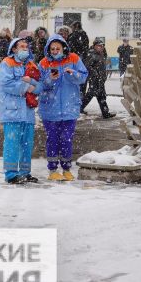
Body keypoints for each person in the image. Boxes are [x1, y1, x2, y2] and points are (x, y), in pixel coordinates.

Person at [38, 34, 89, 180]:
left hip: (69, 109)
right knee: (52, 139)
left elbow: (83, 76)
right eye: (52, 48)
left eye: (57, 48)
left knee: (66, 139)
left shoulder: (73, 58)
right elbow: (39, 84)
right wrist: (50, 79)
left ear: (63, 47)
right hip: (50, 110)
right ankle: (53, 170)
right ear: (48, 49)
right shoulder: (43, 63)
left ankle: (67, 169)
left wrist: (73, 74)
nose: (55, 51)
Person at [0, 37, 41, 184]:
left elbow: (39, 85)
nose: (24, 48)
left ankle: (25, 172)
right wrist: (26, 86)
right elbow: (6, 83)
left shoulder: (31, 64)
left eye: (26, 46)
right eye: (21, 46)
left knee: (26, 144)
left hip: (28, 113)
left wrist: (34, 85)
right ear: (14, 49)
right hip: (12, 112)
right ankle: (11, 174)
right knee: (12, 144)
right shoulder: (7, 63)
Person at [80, 38, 116, 119]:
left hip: (100, 80)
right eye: (99, 46)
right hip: (95, 80)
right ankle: (78, 109)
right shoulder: (91, 54)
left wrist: (102, 77)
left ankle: (105, 113)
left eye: (102, 46)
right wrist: (95, 74)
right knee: (89, 96)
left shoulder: (101, 54)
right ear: (94, 46)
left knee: (102, 96)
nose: (100, 47)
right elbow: (87, 66)